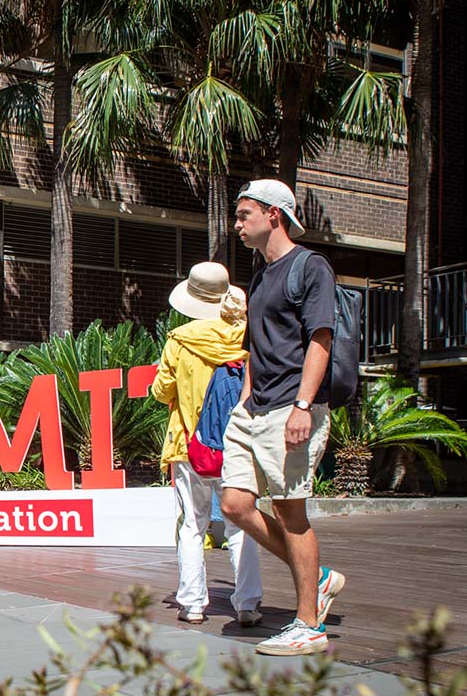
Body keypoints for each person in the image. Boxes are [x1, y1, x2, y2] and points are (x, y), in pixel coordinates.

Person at [221, 179, 346, 656]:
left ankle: (308, 625)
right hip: (255, 409)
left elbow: (321, 339)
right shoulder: (262, 275)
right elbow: (256, 346)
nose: (238, 224)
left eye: (244, 214)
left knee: (291, 512)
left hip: (292, 408)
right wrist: (245, 400)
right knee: (235, 505)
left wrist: (301, 405)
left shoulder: (310, 267)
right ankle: (320, 577)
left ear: (274, 214)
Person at [151, 261, 263, 627]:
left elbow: (160, 391)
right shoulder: (246, 335)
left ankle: (193, 603)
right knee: (241, 524)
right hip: (236, 445)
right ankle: (247, 603)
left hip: (188, 445)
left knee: (192, 525)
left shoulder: (179, 341)